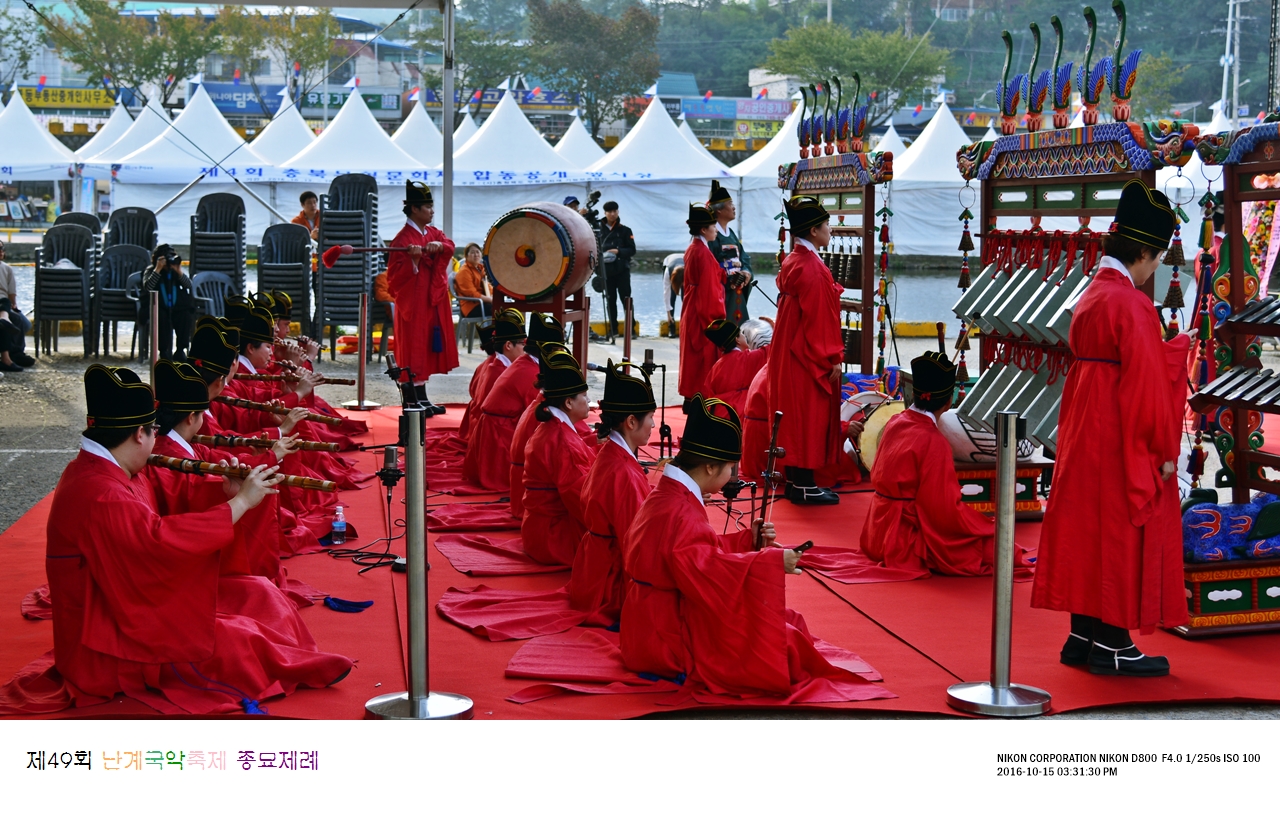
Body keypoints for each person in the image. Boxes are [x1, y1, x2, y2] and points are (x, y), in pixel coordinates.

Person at [37, 364, 351, 714]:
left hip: (135, 601)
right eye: (154, 431)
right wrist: (239, 503)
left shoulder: (111, 470)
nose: (157, 440)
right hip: (110, 638)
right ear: (140, 434)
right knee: (239, 641)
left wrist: (225, 494)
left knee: (258, 592)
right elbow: (157, 542)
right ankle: (299, 665)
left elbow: (170, 512)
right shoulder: (100, 491)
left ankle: (300, 656)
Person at [620, 394, 887, 701]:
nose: (732, 476)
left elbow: (693, 555)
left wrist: (747, 540)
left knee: (786, 621)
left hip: (650, 622)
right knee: (782, 644)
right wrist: (772, 563)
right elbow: (706, 568)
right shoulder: (680, 508)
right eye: (730, 469)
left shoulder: (668, 494)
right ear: (710, 467)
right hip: (666, 637)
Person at [1031, 179, 1189, 676]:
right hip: (1118, 428)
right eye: (1156, 258)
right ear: (1142, 252)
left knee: (1086, 530)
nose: (1156, 267)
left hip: (1084, 425)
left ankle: (1082, 636)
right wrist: (1160, 450)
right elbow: (1145, 384)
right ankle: (1115, 646)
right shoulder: (1132, 303)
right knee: (1120, 530)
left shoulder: (1094, 293)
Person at [860, 352, 1024, 578]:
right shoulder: (933, 441)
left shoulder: (895, 421)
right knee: (1002, 549)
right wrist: (983, 524)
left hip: (876, 531)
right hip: (905, 539)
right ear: (948, 403)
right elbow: (941, 509)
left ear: (915, 393)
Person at [767, 195, 843, 505]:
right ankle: (804, 485)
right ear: (813, 230)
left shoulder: (794, 259)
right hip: (804, 353)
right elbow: (820, 320)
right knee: (808, 414)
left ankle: (797, 482)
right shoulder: (812, 267)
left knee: (794, 414)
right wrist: (832, 356)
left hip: (788, 347)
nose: (830, 230)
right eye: (826, 225)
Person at [568, 360, 656, 624]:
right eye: (650, 417)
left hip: (592, 572)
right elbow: (635, 543)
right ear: (631, 421)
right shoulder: (623, 471)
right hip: (609, 585)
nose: (654, 424)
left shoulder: (610, 452)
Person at [464, 312, 563, 491]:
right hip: (499, 444)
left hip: (492, 437)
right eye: (558, 350)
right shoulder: (530, 373)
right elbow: (543, 415)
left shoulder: (524, 364)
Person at [386, 181, 457, 414]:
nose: (432, 211)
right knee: (412, 346)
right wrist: (413, 261)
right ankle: (410, 398)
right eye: (427, 207)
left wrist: (440, 246)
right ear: (414, 209)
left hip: (430, 299)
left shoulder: (433, 233)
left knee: (424, 346)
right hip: (413, 301)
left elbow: (449, 245)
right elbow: (394, 279)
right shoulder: (402, 240)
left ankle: (422, 397)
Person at [520, 349, 595, 566]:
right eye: (584, 396)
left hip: (538, 529)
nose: (589, 400)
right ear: (568, 403)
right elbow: (581, 500)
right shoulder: (563, 440)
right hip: (554, 537)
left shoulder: (554, 426)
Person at [678, 204, 727, 398]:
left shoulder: (693, 248)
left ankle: (691, 398)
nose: (716, 230)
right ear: (704, 230)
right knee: (703, 359)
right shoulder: (703, 253)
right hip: (702, 310)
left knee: (691, 357)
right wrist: (717, 320)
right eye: (713, 226)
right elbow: (709, 292)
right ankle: (702, 399)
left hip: (691, 306)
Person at [460, 309, 523, 441]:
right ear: (508, 345)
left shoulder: (489, 364)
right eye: (522, 344)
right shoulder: (502, 372)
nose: (525, 349)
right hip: (493, 435)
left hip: (478, 427)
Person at [707, 180, 754, 324]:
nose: (734, 208)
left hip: (737, 291)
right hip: (723, 293)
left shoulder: (731, 233)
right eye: (730, 204)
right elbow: (710, 266)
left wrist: (746, 272)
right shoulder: (712, 235)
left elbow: (744, 258)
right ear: (719, 210)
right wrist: (728, 278)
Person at [141, 243, 198, 360]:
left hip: (176, 307)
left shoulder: (174, 271)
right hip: (158, 307)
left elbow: (189, 285)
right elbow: (148, 287)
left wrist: (179, 271)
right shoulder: (151, 270)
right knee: (161, 317)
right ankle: (163, 351)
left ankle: (180, 350)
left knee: (185, 315)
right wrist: (158, 269)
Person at [704, 318, 769, 416]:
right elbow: (771, 350)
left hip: (717, 414)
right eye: (742, 333)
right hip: (739, 414)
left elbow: (708, 392)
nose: (745, 336)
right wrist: (773, 326)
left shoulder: (716, 366)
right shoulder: (747, 358)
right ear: (737, 339)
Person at [599, 201, 636, 338]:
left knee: (626, 300)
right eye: (609, 212)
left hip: (622, 271)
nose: (612, 214)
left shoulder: (625, 230)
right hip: (606, 272)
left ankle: (631, 329)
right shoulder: (598, 230)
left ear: (618, 212)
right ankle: (613, 329)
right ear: (605, 213)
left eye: (615, 211)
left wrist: (618, 251)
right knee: (610, 301)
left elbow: (632, 250)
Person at [0, 240, 34, 369]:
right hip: (3, 303)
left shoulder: (7, 269)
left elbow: (12, 293)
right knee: (15, 320)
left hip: (5, 303)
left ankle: (15, 353)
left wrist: (13, 305)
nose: (1, 251)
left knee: (23, 323)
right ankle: (13, 355)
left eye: (2, 249)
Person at [454, 242, 492, 319]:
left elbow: (488, 286)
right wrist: (490, 300)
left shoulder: (481, 268)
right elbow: (472, 294)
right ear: (466, 256)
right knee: (502, 311)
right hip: (471, 307)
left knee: (508, 309)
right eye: (472, 252)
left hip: (483, 303)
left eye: (477, 252)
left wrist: (494, 296)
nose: (476, 254)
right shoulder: (464, 272)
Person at [661, 253, 683, 338]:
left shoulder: (691, 270)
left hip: (684, 266)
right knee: (671, 298)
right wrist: (668, 314)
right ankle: (671, 326)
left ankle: (685, 325)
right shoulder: (668, 273)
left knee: (685, 298)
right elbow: (666, 294)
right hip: (669, 262)